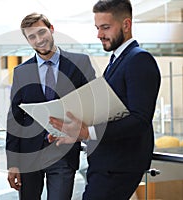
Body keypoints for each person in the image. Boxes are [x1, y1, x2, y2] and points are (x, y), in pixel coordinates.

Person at [49, 0, 161, 199]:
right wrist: (73, 130)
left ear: (126, 25)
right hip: (106, 164)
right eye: (98, 28)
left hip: (119, 166)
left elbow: (139, 119)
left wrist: (88, 131)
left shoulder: (139, 60)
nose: (99, 35)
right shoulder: (117, 60)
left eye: (106, 28)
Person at [6, 13, 96, 200]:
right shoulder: (21, 72)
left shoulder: (80, 63)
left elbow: (93, 105)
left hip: (63, 152)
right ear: (28, 41)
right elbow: (14, 119)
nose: (39, 40)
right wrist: (13, 163)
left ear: (51, 29)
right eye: (32, 36)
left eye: (41, 32)